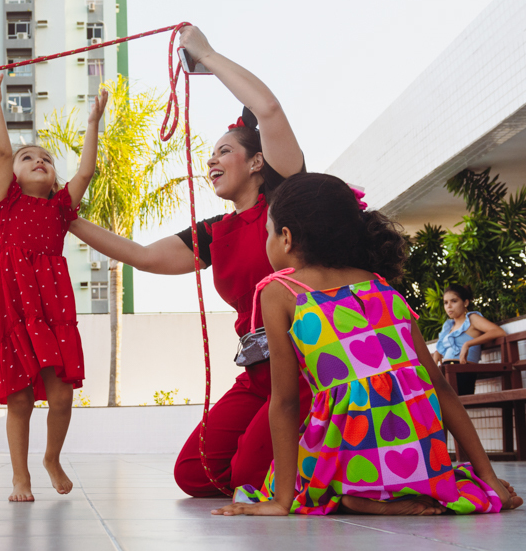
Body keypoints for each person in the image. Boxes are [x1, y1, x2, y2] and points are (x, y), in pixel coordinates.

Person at [69, 25, 311, 497]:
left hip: (304, 371)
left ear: (257, 162)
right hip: (258, 374)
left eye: (224, 151)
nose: (212, 162)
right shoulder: (213, 232)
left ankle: (320, 460)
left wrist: (208, 55)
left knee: (244, 478)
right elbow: (141, 256)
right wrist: (65, 219)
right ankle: (291, 467)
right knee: (195, 473)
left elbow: (269, 110)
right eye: (209, 155)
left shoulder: (286, 198)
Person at [213, 174, 521, 516]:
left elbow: (285, 401)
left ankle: (352, 494)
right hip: (416, 448)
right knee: (441, 469)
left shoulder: (281, 291)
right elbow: (439, 387)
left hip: (350, 442)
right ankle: (383, 492)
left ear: (286, 237)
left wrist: (281, 501)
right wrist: (488, 476)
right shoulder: (379, 285)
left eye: (268, 232)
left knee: (287, 481)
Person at [0, 69, 109, 502]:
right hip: (17, 308)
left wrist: (92, 124)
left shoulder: (59, 208)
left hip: (53, 310)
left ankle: (52, 457)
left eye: (46, 160)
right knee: (19, 401)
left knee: (61, 396)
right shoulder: (8, 203)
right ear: (13, 176)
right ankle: (21, 476)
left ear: (54, 178)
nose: (38, 160)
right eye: (28, 157)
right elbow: (1, 151)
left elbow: (87, 172)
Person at [433, 284, 506, 395]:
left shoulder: (472, 319)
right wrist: (438, 352)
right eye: (446, 302)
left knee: (453, 407)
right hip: (446, 372)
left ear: (465, 302)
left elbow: (499, 332)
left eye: (454, 301)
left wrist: (468, 344)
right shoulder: (449, 325)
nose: (449, 306)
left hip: (462, 371)